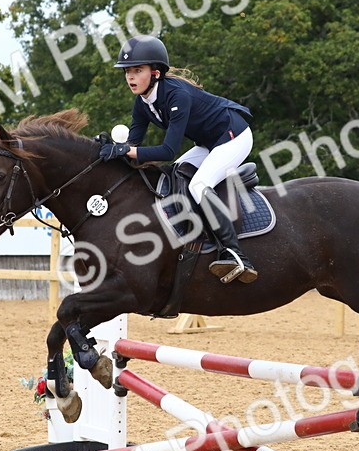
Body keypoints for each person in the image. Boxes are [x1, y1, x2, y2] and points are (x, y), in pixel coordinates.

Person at [98, 34, 258, 284]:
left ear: (155, 73)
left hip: (234, 136)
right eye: (127, 71)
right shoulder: (141, 103)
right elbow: (133, 147)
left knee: (199, 185)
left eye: (137, 70)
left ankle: (234, 253)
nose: (130, 77)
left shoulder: (176, 95)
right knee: (176, 174)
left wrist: (127, 151)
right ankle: (196, 237)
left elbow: (167, 150)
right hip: (208, 143)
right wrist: (112, 148)